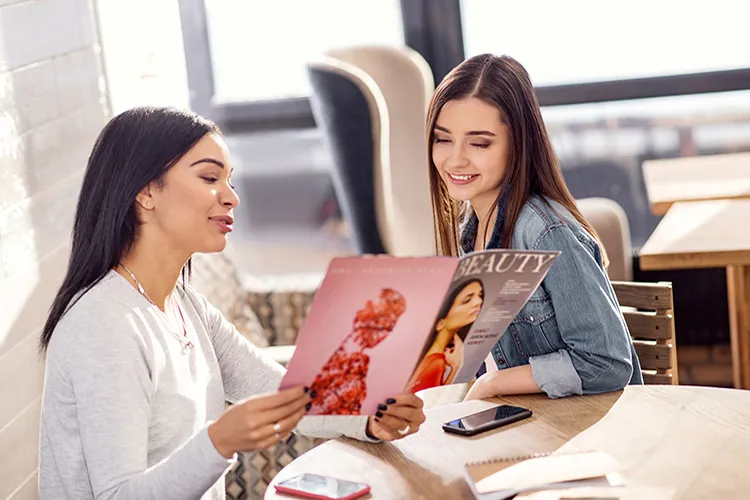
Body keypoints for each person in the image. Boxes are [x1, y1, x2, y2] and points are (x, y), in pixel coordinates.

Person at [38, 106, 426, 500]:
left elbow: (283, 392)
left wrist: (370, 417)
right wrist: (218, 442)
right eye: (209, 178)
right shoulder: (102, 326)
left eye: (229, 180)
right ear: (146, 191)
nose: (231, 197)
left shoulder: (186, 305)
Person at [425, 54, 643, 401]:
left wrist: (493, 384)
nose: (455, 159)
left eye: (479, 143)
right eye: (443, 139)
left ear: (518, 143)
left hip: (585, 435)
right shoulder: (470, 228)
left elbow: (607, 362)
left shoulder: (545, 231)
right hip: (524, 426)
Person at [406, 278, 484, 393]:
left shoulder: (434, 359)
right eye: (467, 300)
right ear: (439, 323)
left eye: (480, 296)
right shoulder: (436, 363)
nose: (478, 302)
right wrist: (456, 367)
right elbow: (433, 405)